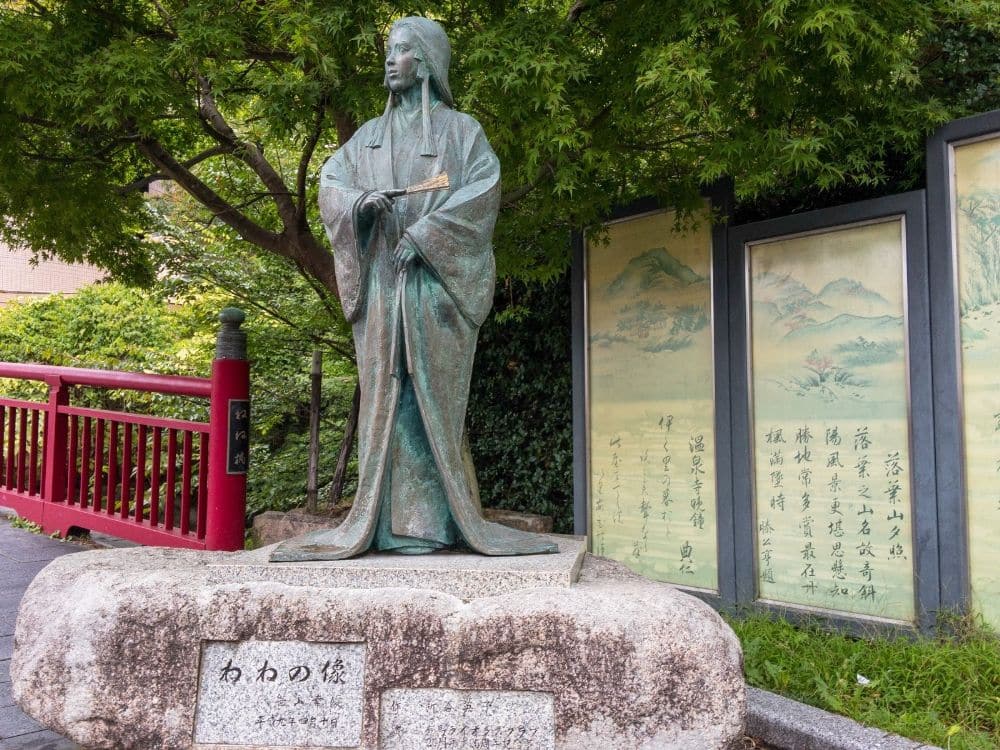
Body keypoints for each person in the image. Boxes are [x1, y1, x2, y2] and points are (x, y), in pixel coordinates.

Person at [271, 17, 558, 561]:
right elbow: (332, 183)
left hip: (434, 291)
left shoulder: (462, 132)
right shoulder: (366, 138)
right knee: (386, 394)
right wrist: (361, 205)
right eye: (389, 50)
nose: (390, 59)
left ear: (424, 64)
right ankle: (382, 524)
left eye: (401, 50)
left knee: (430, 400)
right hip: (382, 285)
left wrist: (425, 237)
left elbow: (483, 190)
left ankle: (434, 522)